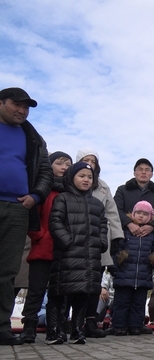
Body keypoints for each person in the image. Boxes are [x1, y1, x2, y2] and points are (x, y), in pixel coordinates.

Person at [0, 87, 53, 346]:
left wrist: (37, 196)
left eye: (26, 107)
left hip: (17, 209)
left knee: (7, 271)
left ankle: (1, 328)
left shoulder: (32, 138)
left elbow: (45, 172)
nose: (22, 111)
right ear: (1, 103)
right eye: (16, 105)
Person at [47, 162, 108, 345]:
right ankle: (54, 331)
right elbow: (55, 222)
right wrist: (67, 241)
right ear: (72, 177)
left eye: (89, 177)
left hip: (90, 257)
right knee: (59, 294)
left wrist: (102, 243)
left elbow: (103, 225)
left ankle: (76, 330)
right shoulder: (63, 198)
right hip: (67, 255)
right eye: (82, 176)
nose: (86, 180)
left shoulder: (97, 204)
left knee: (83, 294)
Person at [19, 151, 71, 343]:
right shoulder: (42, 190)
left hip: (64, 251)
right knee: (36, 290)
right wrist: (39, 235)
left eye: (67, 164)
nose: (64, 167)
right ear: (50, 166)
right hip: (42, 248)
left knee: (61, 293)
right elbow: (33, 216)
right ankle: (29, 326)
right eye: (59, 163)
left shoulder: (71, 192)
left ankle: (58, 327)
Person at [76, 147, 125, 338]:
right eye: (86, 160)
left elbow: (112, 214)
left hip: (98, 242)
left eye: (93, 161)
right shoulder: (69, 184)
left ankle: (90, 321)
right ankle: (68, 322)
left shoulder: (104, 187)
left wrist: (116, 238)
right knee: (72, 284)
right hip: (74, 242)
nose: (90, 164)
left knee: (94, 284)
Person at [111, 200, 154, 336]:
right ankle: (119, 325)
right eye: (138, 213)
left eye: (145, 214)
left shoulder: (152, 235)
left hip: (143, 275)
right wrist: (114, 265)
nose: (141, 216)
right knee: (121, 302)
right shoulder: (126, 231)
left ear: (150, 217)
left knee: (138, 303)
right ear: (133, 214)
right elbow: (117, 249)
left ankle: (135, 326)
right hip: (124, 273)